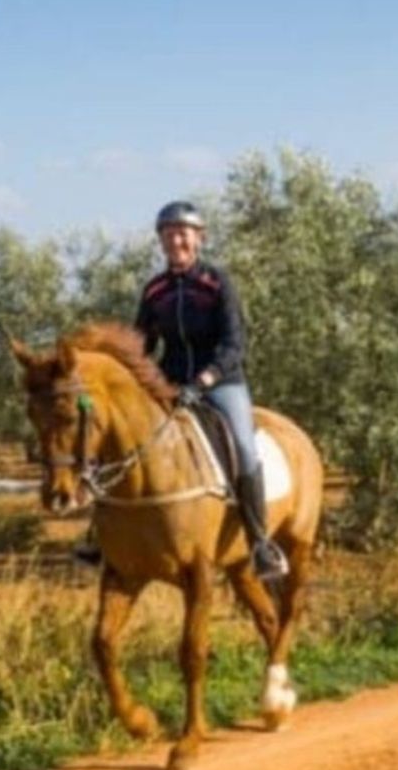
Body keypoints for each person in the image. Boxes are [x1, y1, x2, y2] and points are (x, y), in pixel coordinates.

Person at [120, 200, 288, 578]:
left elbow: (234, 345)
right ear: (161, 241)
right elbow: (142, 344)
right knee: (124, 436)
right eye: (169, 234)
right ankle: (100, 536)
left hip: (220, 383)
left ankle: (260, 543)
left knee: (245, 448)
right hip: (171, 383)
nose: (176, 240)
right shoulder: (155, 291)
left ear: (199, 239)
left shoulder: (216, 283)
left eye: (183, 233)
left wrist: (205, 381)